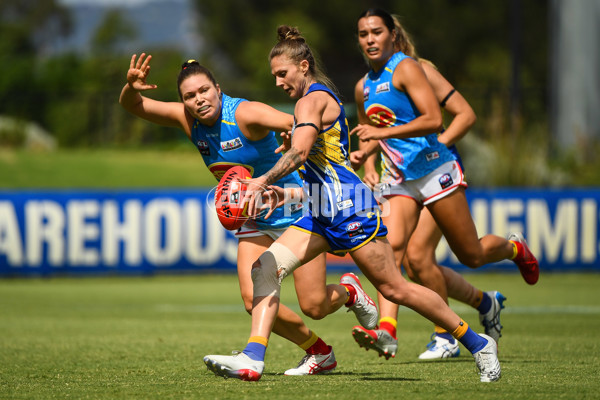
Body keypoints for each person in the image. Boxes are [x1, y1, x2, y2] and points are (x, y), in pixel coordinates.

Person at [203, 25, 501, 383]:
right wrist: (286, 193)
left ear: (303, 65)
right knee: (265, 268)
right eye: (274, 76)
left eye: (282, 73)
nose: (278, 81)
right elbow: (324, 167)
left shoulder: (311, 99)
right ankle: (253, 357)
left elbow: (299, 153)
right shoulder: (306, 105)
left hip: (352, 210)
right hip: (320, 210)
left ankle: (477, 342)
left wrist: (263, 180)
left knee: (396, 289)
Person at [118, 53, 379, 376]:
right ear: (183, 102)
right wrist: (131, 87)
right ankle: (316, 352)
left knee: (315, 306)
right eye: (189, 96)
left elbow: (301, 123)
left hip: (298, 211)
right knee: (250, 298)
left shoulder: (244, 113)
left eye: (204, 91)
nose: (198, 100)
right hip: (257, 218)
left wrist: (293, 136)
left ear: (218, 88)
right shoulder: (189, 121)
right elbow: (134, 106)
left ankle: (351, 291)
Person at [348, 8, 539, 362]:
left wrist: (436, 144)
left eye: (376, 32)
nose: (370, 39)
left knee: (471, 254)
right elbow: (368, 133)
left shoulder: (410, 68)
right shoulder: (364, 87)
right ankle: (388, 331)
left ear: (392, 34)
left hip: (437, 172)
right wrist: (368, 161)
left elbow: (436, 119)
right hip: (400, 179)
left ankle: (513, 248)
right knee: (393, 250)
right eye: (363, 34)